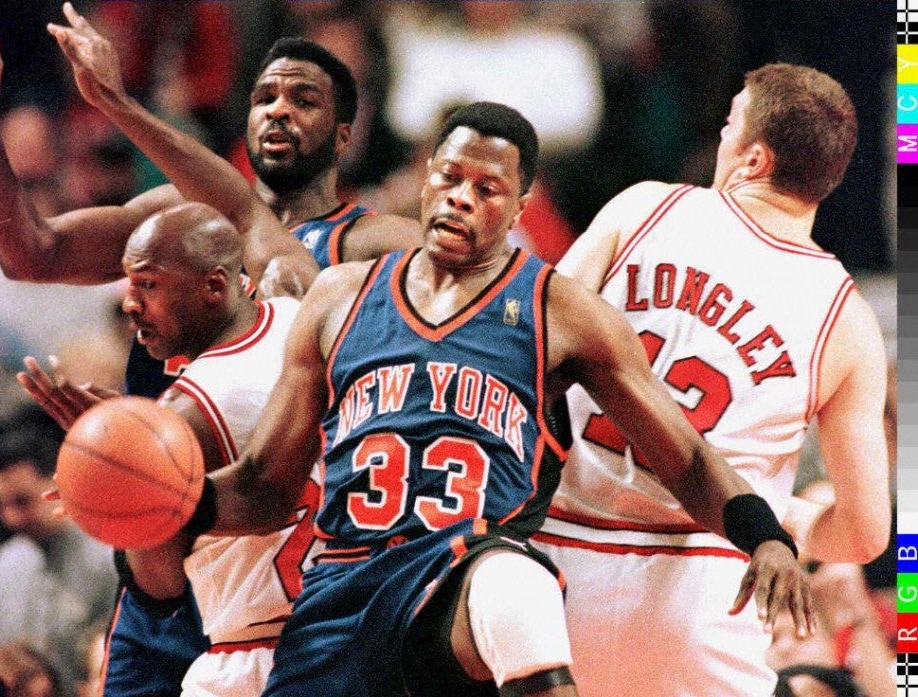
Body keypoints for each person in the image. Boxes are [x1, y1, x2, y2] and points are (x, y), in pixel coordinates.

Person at [177, 101, 812, 697]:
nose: (461, 198)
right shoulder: (338, 297)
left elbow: (687, 458)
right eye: (451, 176)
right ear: (425, 175)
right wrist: (168, 500)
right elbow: (263, 484)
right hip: (343, 588)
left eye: (487, 189)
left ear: (519, 207)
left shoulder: (561, 311)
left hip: (460, 583)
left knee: (515, 586)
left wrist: (764, 535)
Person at [0, 7, 421, 695]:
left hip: (278, 573)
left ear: (344, 132)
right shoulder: (172, 228)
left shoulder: (373, 244)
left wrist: (118, 102)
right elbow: (29, 249)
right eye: (263, 97)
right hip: (158, 554)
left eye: (303, 99)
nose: (277, 112)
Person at [530, 63, 892, 696]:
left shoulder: (646, 207)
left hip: (556, 563)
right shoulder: (846, 317)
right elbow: (864, 535)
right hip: (704, 597)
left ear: (752, 159)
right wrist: (792, 519)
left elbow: (532, 352)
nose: (721, 139)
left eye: (729, 125)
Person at [20, 202, 319, 697]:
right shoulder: (299, 313)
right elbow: (246, 208)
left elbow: (162, 591)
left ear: (214, 286)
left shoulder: (188, 410)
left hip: (255, 654)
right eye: (128, 285)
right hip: (344, 627)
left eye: (148, 284)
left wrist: (122, 480)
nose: (130, 303)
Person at [0, 429, 117, 696]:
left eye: (22, 501)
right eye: (0, 505)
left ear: (57, 486)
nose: (11, 518)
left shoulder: (112, 557)